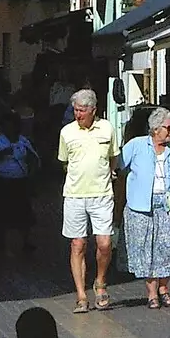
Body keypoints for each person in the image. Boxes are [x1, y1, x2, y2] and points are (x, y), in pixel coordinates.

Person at [121, 107, 170, 308]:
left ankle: (164, 289)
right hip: (140, 207)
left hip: (168, 206)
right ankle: (152, 293)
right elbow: (118, 166)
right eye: (168, 128)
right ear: (155, 128)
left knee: (168, 247)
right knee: (146, 250)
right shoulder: (137, 145)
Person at [56, 87, 120, 313]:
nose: (78, 114)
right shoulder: (67, 133)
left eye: (82, 110)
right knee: (78, 244)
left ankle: (100, 281)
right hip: (74, 195)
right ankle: (81, 295)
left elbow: (113, 158)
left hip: (101, 194)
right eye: (75, 110)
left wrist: (105, 177)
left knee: (104, 243)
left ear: (94, 110)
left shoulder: (107, 129)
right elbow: (65, 163)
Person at [0, 110, 40, 255]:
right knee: (2, 214)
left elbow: (33, 158)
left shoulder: (23, 141)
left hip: (20, 182)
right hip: (3, 181)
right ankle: (1, 244)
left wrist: (32, 175)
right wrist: (3, 153)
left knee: (24, 213)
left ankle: (26, 241)